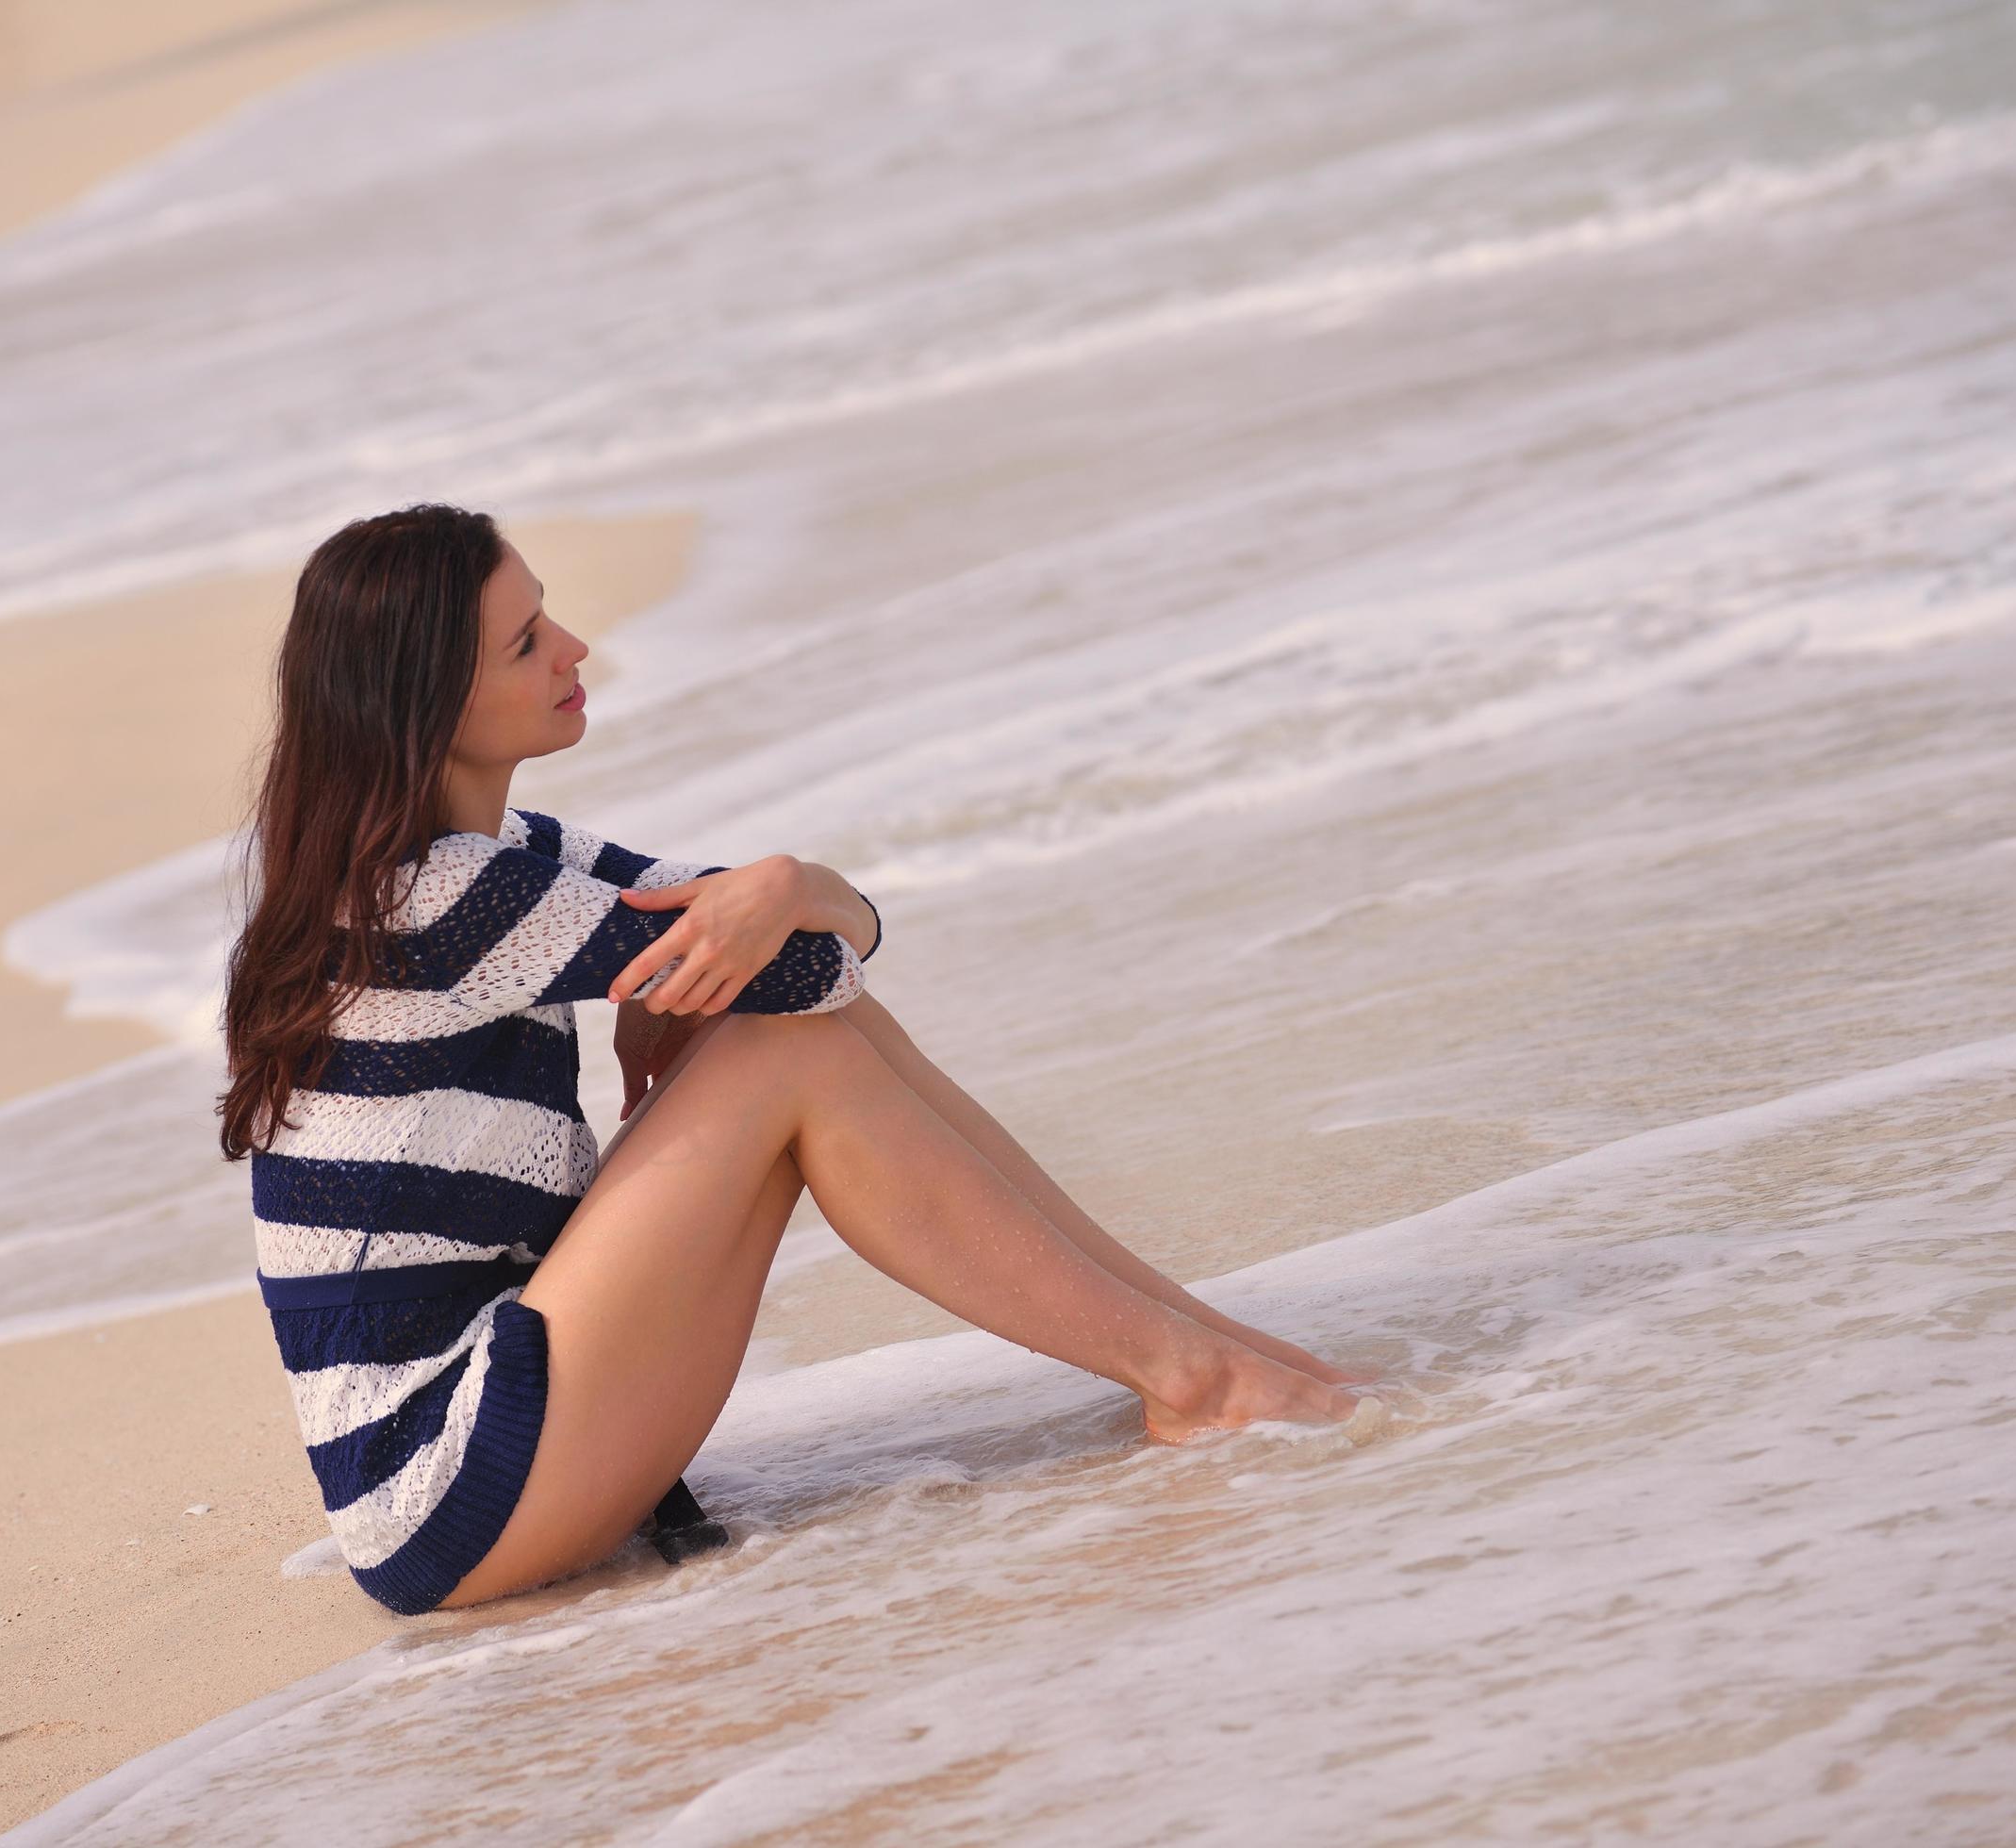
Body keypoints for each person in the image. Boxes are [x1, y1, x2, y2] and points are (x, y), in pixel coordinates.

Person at [218, 502, 1363, 1616]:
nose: (574, 651)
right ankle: (1191, 1372)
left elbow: (775, 951)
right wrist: (795, 887)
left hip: (521, 1418)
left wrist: (781, 899)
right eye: (526, 643)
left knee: (793, 1030)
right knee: (786, 1049)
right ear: (426, 704)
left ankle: (1196, 1344)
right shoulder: (433, 897)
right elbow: (807, 966)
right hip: (444, 1495)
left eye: (547, 617)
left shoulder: (509, 854)